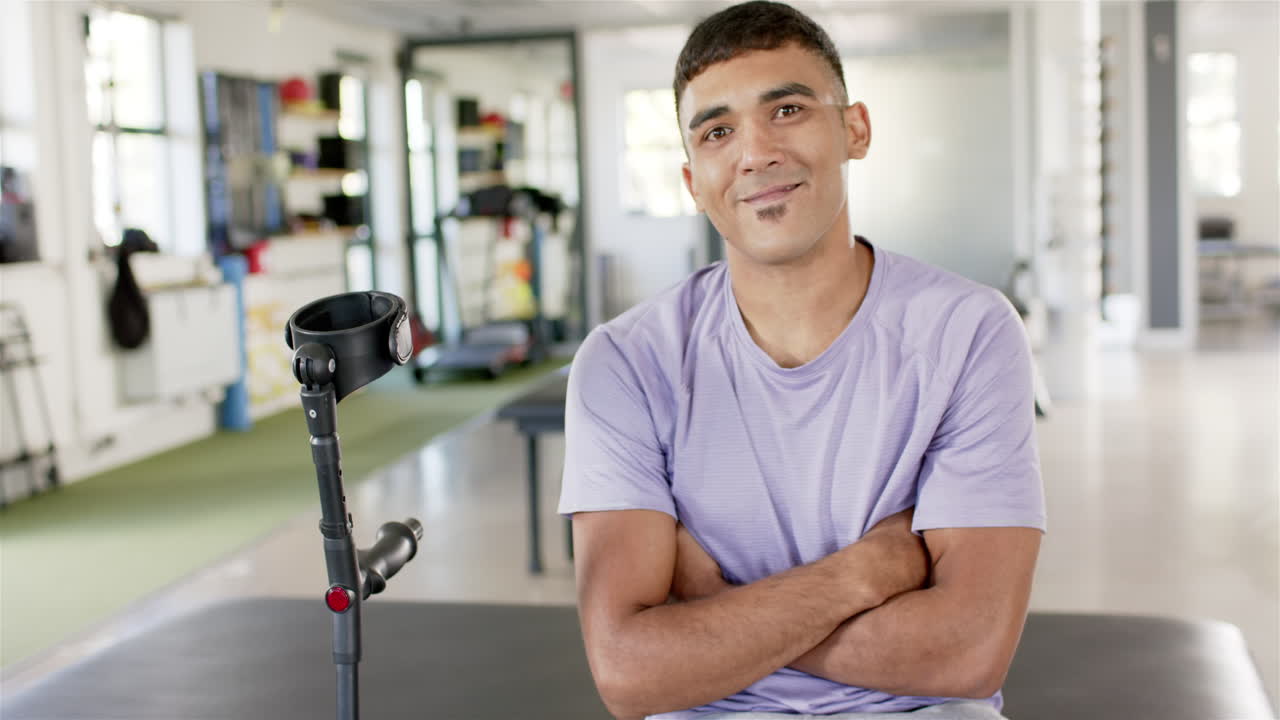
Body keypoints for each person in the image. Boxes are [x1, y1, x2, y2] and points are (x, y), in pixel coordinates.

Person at [557, 2, 1045, 718]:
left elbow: (968, 652)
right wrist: (863, 574)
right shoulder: (624, 362)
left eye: (786, 110)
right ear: (693, 181)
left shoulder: (968, 332)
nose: (755, 153)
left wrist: (720, 607)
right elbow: (630, 672)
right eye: (718, 131)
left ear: (855, 129)